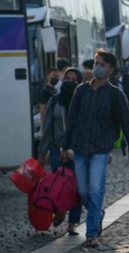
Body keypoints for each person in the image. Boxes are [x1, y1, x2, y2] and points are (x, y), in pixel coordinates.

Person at [61, 50, 129, 248]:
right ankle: (99, 214)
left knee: (96, 189)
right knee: (83, 191)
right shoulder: (81, 90)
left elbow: (127, 123)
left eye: (102, 63)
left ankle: (91, 233)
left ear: (110, 68)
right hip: (80, 146)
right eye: (96, 62)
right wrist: (65, 145)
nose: (97, 66)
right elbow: (71, 119)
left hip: (101, 148)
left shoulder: (115, 94)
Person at [37, 67, 83, 236]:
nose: (70, 82)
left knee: (77, 188)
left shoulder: (83, 101)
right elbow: (47, 127)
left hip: (78, 151)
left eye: (74, 79)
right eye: (68, 79)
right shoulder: (55, 101)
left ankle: (72, 223)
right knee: (59, 185)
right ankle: (60, 211)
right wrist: (42, 153)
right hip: (57, 149)